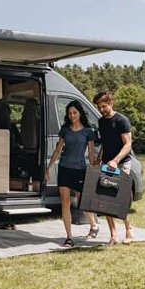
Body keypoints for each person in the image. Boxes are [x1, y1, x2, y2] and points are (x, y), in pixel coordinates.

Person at [46, 100, 100, 247]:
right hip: (64, 168)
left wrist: (94, 169)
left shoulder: (88, 131)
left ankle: (94, 224)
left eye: (75, 112)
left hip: (80, 169)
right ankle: (69, 237)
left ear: (80, 113)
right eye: (70, 113)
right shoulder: (65, 130)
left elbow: (90, 153)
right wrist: (48, 168)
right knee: (65, 202)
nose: (72, 115)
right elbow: (58, 150)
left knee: (82, 202)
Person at [94, 90, 136, 245]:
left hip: (122, 162)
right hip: (106, 163)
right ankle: (113, 235)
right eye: (99, 107)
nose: (101, 110)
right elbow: (105, 144)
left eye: (104, 106)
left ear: (111, 103)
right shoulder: (101, 122)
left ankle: (129, 229)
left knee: (119, 199)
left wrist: (115, 160)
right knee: (105, 199)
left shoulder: (122, 120)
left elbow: (128, 145)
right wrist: (99, 159)